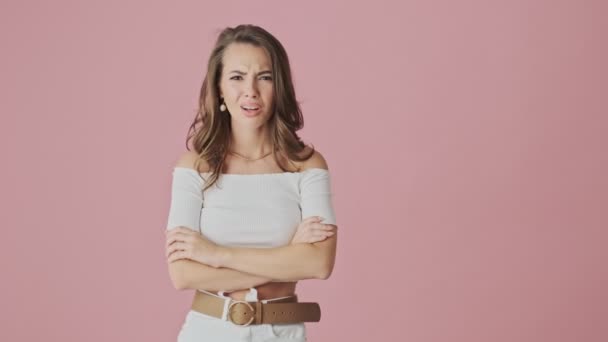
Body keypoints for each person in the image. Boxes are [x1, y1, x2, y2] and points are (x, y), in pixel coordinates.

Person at [164, 24, 339, 342]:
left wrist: (217, 255)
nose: (251, 91)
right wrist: (291, 256)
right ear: (218, 87)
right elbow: (183, 274)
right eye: (237, 77)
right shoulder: (194, 167)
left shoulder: (307, 166)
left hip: (283, 334)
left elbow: (319, 263)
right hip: (208, 332)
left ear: (280, 86)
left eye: (265, 77)